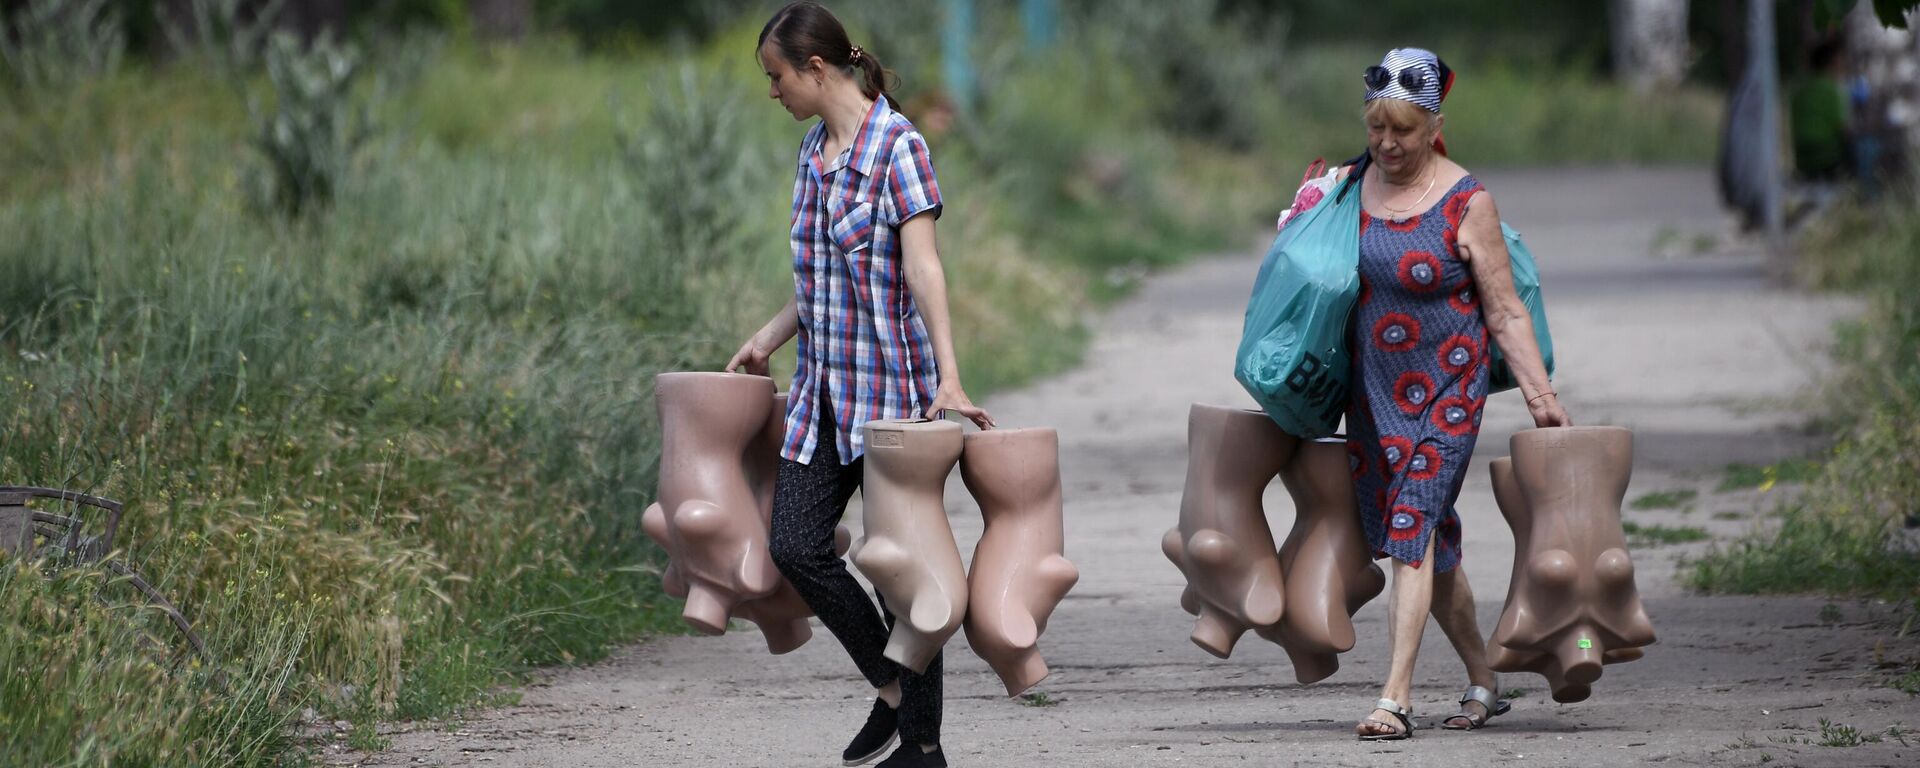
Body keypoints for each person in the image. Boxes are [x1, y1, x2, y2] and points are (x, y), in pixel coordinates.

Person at [727, 3, 993, 766]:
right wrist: (768, 338)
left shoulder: (897, 147)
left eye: (776, 76)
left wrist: (949, 376)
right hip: (822, 392)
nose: (772, 91)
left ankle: (924, 748)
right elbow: (819, 280)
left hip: (890, 394)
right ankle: (893, 689)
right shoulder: (814, 150)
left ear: (816, 68)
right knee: (797, 546)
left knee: (901, 577)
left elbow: (923, 267)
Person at [1286, 48, 1571, 740]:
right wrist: (1300, 216)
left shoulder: (1467, 202)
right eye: (1378, 128)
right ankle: (1484, 677)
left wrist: (1539, 393)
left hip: (1449, 387)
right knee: (1429, 544)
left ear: (1432, 126)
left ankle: (1395, 698)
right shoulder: (1348, 191)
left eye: (1403, 131)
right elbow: (1307, 274)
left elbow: (1503, 311)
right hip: (1372, 392)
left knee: (1411, 523)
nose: (1387, 143)